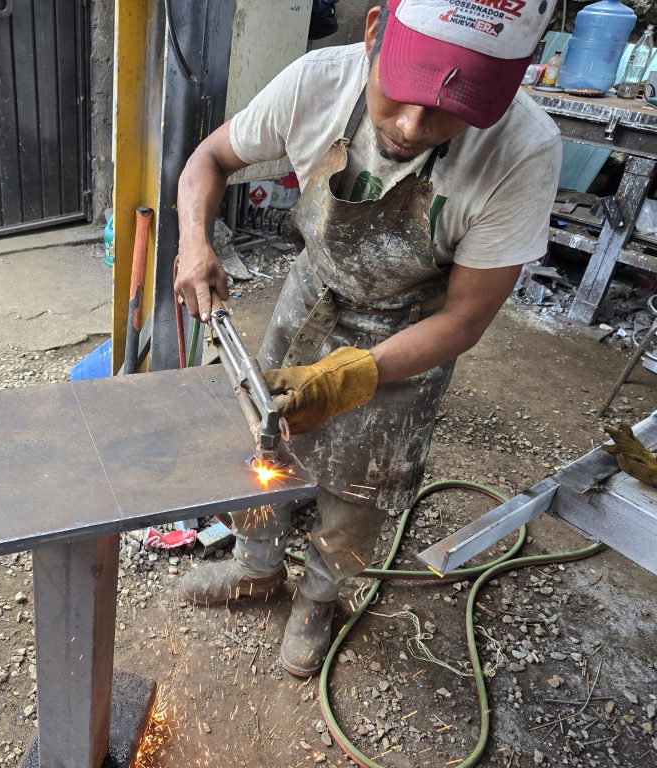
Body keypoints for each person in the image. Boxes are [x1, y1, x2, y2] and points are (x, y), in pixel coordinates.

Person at [175, 0, 562, 677]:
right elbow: (208, 160)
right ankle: (257, 567)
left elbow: (464, 321)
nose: (411, 127)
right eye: (402, 92)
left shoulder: (524, 150)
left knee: (360, 486)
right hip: (312, 299)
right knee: (262, 441)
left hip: (412, 329)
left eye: (449, 109)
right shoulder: (317, 83)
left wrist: (349, 377)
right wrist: (194, 243)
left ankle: (318, 599)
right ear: (376, 32)